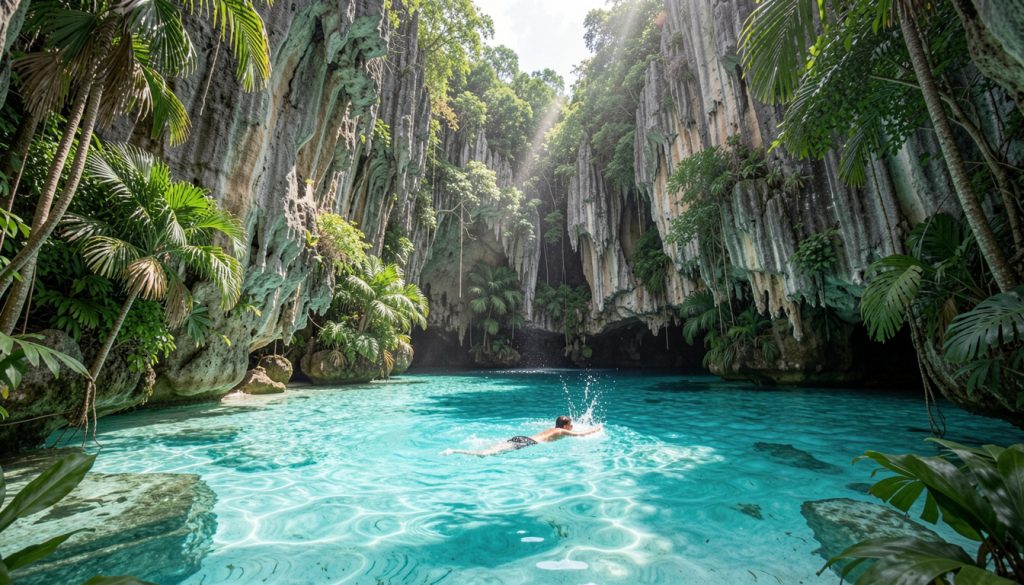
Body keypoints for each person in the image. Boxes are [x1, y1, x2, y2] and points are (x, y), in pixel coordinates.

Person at [443, 416, 603, 457]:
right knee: (485, 454)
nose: (572, 427)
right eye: (571, 425)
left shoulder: (552, 429)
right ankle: (455, 451)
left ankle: (456, 450)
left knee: (491, 449)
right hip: (527, 443)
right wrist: (597, 429)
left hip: (522, 437)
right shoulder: (561, 432)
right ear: (565, 426)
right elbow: (582, 434)